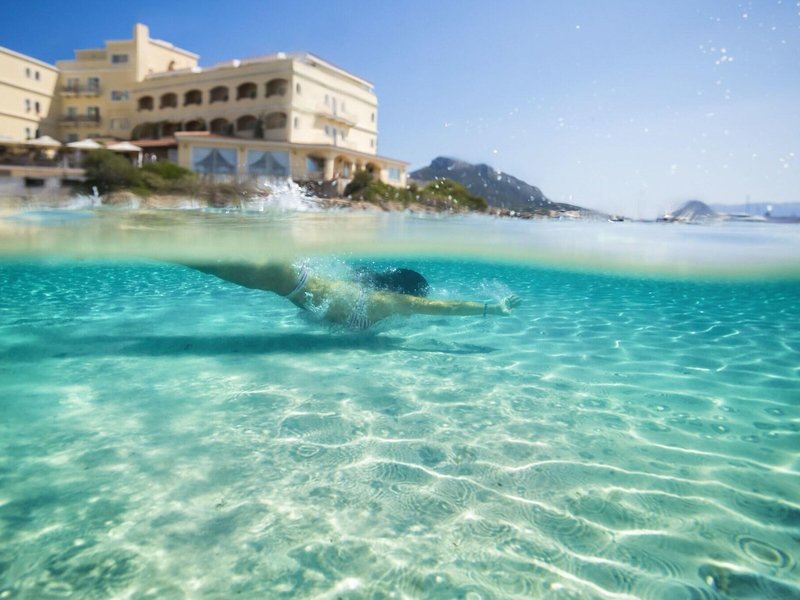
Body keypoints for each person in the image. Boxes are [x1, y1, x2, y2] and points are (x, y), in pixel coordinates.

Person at [185, 261, 521, 329]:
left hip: (289, 279)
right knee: (204, 259)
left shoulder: (372, 299)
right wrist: (492, 309)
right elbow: (445, 308)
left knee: (205, 260)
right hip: (288, 278)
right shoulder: (389, 303)